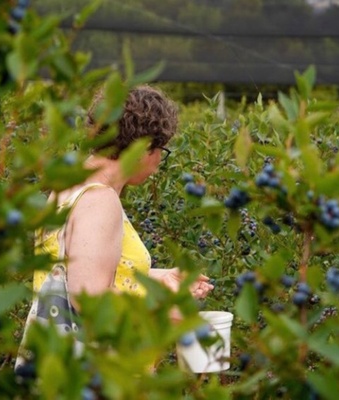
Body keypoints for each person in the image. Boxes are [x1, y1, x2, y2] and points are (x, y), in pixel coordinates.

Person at [15, 84, 215, 372]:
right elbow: (90, 299)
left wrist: (158, 278)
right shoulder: (99, 200)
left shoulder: (71, 184)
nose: (159, 162)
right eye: (161, 150)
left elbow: (81, 271)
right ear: (145, 148)